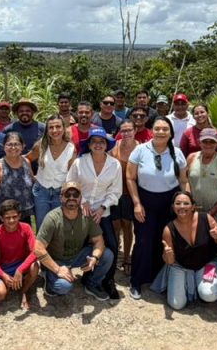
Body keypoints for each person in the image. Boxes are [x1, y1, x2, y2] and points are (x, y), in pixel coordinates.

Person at [126, 116, 189, 300]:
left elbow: (183, 181)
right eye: (157, 128)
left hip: (169, 202)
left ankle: (158, 279)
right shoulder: (140, 150)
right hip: (145, 200)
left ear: (170, 133)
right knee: (144, 241)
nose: (161, 132)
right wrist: (137, 203)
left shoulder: (177, 153)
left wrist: (186, 204)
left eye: (165, 129)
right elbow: (130, 177)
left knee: (164, 241)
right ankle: (137, 281)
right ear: (151, 131)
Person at [66, 127, 123, 300]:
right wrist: (81, 202)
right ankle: (69, 273)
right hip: (80, 210)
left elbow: (116, 191)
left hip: (102, 212)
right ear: (89, 145)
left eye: (102, 142)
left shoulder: (115, 165)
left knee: (111, 247)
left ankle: (106, 280)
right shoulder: (80, 162)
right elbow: (70, 183)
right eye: (94, 141)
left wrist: (102, 208)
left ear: (107, 145)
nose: (98, 145)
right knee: (81, 245)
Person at [34, 181, 114, 301]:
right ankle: (49, 280)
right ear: (61, 198)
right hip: (56, 260)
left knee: (107, 255)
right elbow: (38, 248)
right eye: (67, 194)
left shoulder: (86, 216)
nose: (72, 198)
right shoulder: (52, 218)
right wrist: (58, 269)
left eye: (75, 195)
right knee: (64, 286)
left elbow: (98, 240)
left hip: (77, 256)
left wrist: (94, 258)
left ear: (80, 198)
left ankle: (91, 283)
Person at [157, 191, 217, 310]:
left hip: (207, 263)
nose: (182, 207)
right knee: (177, 304)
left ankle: (199, 283)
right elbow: (170, 262)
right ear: (173, 207)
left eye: (186, 203)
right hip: (181, 266)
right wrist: (168, 255)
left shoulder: (206, 218)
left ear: (193, 207)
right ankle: (188, 283)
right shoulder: (168, 229)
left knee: (209, 295)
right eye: (178, 203)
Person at [0, 199, 40, 310]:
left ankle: (24, 291)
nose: (11, 220)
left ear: (19, 216)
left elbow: (35, 252)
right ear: (1, 218)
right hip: (6, 267)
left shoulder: (26, 227)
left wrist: (20, 270)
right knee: (0, 295)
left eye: (14, 216)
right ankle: (10, 284)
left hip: (21, 264)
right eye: (7, 217)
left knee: (35, 267)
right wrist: (3, 275)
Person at [27, 114, 76, 230]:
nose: (55, 130)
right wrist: (33, 177)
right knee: (42, 226)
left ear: (64, 128)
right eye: (51, 127)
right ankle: (40, 248)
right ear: (47, 130)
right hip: (41, 192)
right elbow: (26, 159)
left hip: (60, 193)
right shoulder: (41, 145)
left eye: (58, 127)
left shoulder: (71, 148)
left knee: (58, 226)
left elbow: (71, 172)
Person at [0, 131, 36, 227]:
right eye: (9, 144)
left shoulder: (26, 162)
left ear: (23, 146)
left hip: (24, 214)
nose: (13, 148)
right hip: (5, 217)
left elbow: (32, 180)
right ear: (4, 146)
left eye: (17, 144)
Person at [186, 128, 217, 224]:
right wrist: (189, 203)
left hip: (216, 215)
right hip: (194, 213)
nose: (208, 145)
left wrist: (211, 213)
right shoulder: (191, 158)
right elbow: (187, 181)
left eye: (212, 141)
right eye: (205, 141)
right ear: (199, 142)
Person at [110, 119, 139, 275]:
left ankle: (127, 257)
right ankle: (115, 253)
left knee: (127, 226)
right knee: (115, 225)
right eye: (123, 130)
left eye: (129, 130)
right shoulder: (114, 146)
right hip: (115, 193)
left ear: (135, 130)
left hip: (131, 194)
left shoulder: (141, 148)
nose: (126, 133)